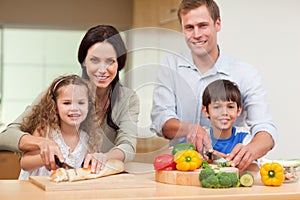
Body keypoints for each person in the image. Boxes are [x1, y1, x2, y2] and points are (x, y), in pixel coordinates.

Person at [151, 0, 276, 171]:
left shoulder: (245, 74)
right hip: (180, 170)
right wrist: (191, 129)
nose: (196, 34)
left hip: (228, 170)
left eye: (203, 25)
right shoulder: (170, 66)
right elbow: (161, 121)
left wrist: (250, 151)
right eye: (189, 27)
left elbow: (265, 130)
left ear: (217, 24)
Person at [0, 25, 139, 173]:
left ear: (119, 63)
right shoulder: (62, 90)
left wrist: (104, 157)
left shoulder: (127, 99)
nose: (103, 69)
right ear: (84, 62)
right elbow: (7, 135)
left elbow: (127, 145)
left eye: (110, 61)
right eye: (94, 60)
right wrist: (42, 143)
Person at [18, 75, 102, 180]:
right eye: (67, 103)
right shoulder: (45, 130)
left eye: (81, 103)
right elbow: (24, 164)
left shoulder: (88, 138)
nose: (74, 108)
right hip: (36, 189)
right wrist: (45, 158)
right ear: (55, 107)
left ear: (88, 107)